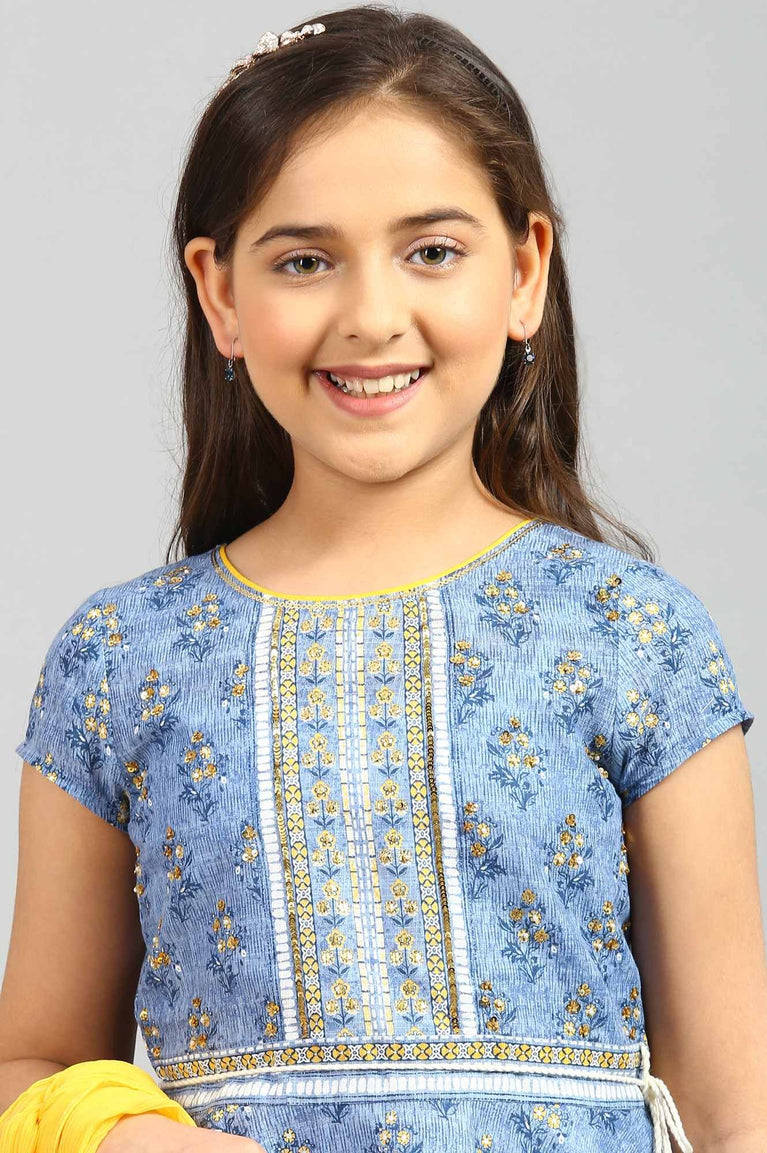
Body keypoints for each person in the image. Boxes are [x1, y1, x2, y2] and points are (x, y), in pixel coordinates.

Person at [1, 6, 765, 1152]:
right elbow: (31, 1061)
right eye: (304, 261)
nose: (369, 316)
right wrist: (125, 1137)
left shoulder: (631, 635)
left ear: (524, 271)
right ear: (219, 293)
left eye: (431, 251)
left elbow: (733, 1112)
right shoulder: (118, 661)